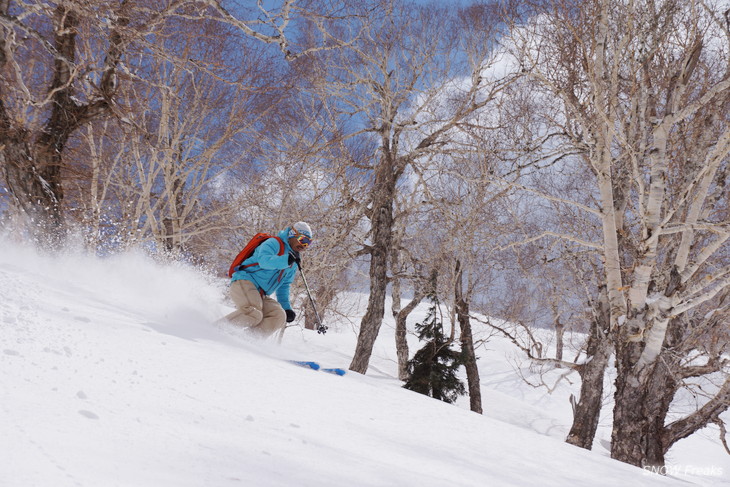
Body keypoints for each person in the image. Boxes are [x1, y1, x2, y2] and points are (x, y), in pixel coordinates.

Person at [222, 222, 313, 337]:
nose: (304, 246)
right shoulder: (274, 243)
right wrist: (286, 260)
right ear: (292, 234)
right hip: (244, 281)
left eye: (308, 243)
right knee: (254, 313)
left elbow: (284, 285)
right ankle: (215, 331)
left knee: (279, 315)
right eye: (302, 240)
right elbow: (264, 261)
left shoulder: (292, 263)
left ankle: (247, 341)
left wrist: (287, 308)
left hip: (260, 294)